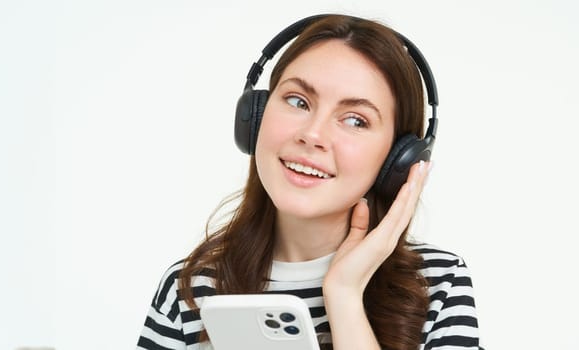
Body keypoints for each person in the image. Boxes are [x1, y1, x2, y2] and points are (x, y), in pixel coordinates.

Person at [137, 14, 481, 350]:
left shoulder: (437, 285)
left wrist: (344, 297)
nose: (313, 135)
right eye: (298, 101)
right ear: (253, 119)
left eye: (355, 120)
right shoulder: (189, 290)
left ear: (399, 158)